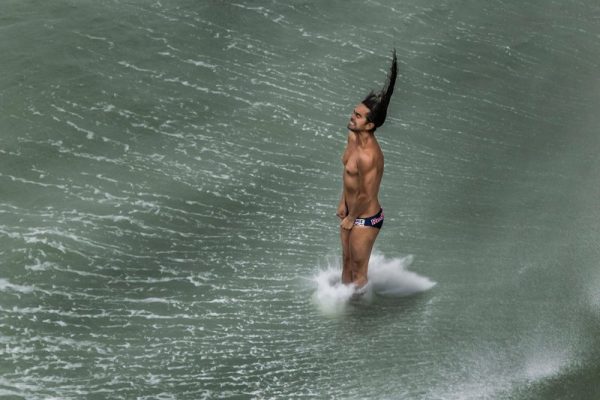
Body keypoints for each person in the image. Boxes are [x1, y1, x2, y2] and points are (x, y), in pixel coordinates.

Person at [336, 50, 398, 294]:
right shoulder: (353, 137)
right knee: (346, 263)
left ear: (370, 125)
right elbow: (349, 177)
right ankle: (345, 311)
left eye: (359, 116)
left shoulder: (369, 155)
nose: (353, 117)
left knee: (359, 272)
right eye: (354, 112)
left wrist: (352, 218)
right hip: (351, 212)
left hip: (365, 218)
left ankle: (361, 316)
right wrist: (343, 203)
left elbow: (367, 193)